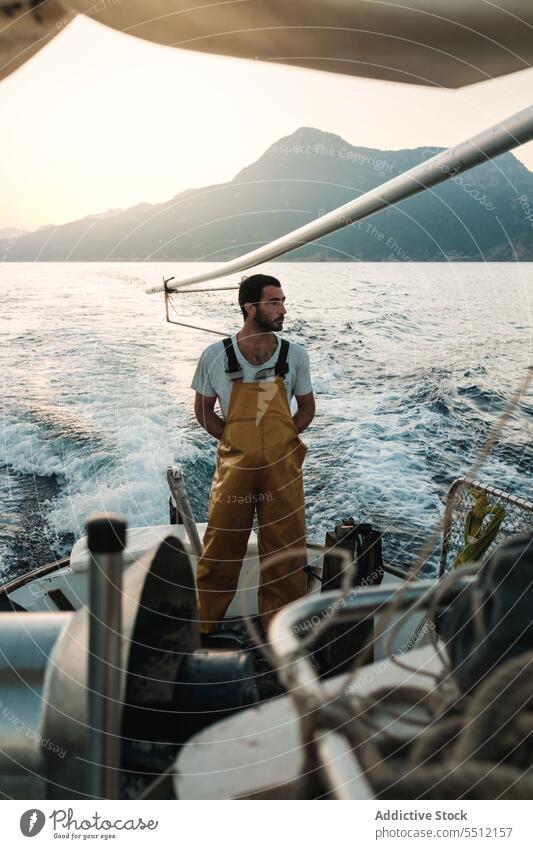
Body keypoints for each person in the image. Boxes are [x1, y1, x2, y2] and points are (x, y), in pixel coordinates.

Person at [191, 273, 315, 635]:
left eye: (282, 301)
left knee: (286, 552)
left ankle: (281, 634)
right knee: (221, 550)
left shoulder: (295, 355)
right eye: (274, 302)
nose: (283, 309)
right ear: (250, 307)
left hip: (283, 468)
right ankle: (202, 628)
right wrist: (233, 441)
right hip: (235, 470)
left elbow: (306, 407)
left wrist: (285, 436)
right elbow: (203, 411)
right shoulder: (215, 356)